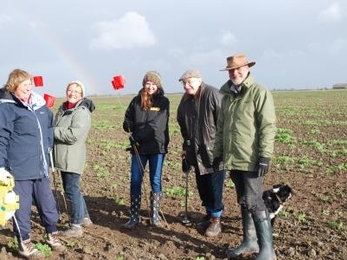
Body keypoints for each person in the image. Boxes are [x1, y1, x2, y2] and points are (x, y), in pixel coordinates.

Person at [213, 54, 277, 260]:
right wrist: (218, 154)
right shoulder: (228, 96)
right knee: (244, 201)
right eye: (231, 70)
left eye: (239, 68)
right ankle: (250, 241)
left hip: (251, 160)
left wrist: (265, 155)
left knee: (255, 202)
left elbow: (267, 126)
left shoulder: (259, 92)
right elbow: (221, 127)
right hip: (234, 159)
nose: (235, 73)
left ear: (248, 68)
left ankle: (267, 251)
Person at [0, 69, 65, 258]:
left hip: (41, 166)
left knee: (47, 202)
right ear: (14, 86)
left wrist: (48, 150)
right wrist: (1, 167)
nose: (28, 88)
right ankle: (24, 243)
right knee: (22, 206)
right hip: (19, 168)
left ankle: (52, 234)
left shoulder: (40, 106)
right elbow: (1, 137)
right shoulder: (7, 107)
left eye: (30, 84)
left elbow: (48, 130)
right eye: (24, 85)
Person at [177, 69, 225, 237]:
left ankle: (216, 220)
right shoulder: (185, 101)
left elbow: (225, 122)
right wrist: (186, 146)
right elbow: (182, 123)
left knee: (214, 188)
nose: (186, 85)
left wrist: (223, 147)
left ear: (199, 80)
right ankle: (210, 214)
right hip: (195, 153)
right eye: (184, 83)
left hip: (214, 153)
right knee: (203, 187)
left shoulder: (213, 94)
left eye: (190, 82)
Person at [122, 71, 170, 229]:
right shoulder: (136, 101)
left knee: (155, 180)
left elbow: (157, 126)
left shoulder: (164, 102)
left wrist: (138, 136)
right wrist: (127, 125)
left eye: (153, 84)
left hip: (157, 147)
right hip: (138, 149)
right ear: (144, 84)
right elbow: (128, 118)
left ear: (158, 86)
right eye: (148, 83)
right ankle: (134, 216)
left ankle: (155, 216)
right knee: (135, 181)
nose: (150, 86)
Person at [53, 80, 95, 237]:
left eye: (77, 92)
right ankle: (84, 218)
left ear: (82, 95)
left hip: (72, 158)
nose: (72, 93)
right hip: (64, 157)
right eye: (70, 90)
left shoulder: (81, 112)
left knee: (71, 190)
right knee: (74, 189)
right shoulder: (63, 109)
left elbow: (73, 135)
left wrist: (53, 131)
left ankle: (76, 226)